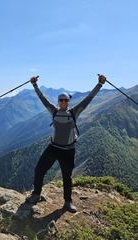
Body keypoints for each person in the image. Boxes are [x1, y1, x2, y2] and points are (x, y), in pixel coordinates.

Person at [26, 74, 107, 213]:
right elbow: (42, 98)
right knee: (39, 170)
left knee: (66, 177)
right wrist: (34, 85)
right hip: (53, 148)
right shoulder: (54, 111)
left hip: (68, 150)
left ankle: (68, 202)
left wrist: (100, 84)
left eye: (65, 100)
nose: (63, 102)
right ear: (58, 101)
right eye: (61, 100)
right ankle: (36, 194)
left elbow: (89, 98)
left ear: (69, 101)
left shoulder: (74, 112)